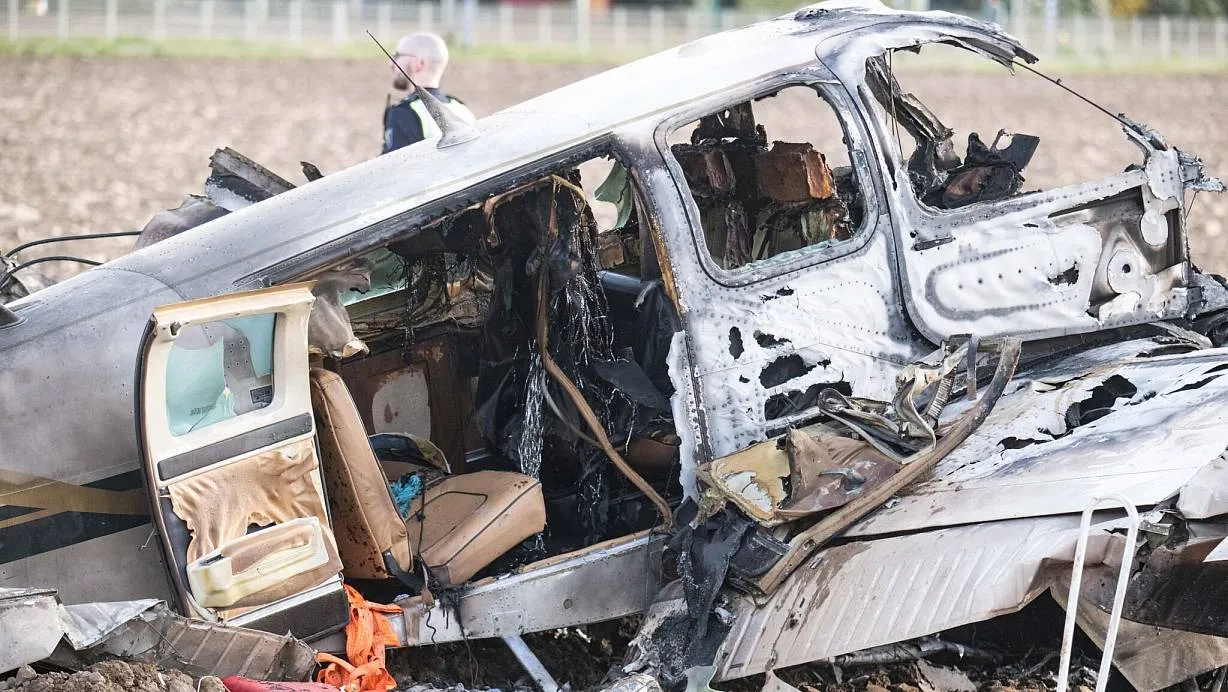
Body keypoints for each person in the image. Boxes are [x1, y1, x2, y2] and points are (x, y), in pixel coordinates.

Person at [381, 32, 476, 154]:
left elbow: (396, 169)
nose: (391, 64)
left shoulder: (404, 113)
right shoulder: (463, 110)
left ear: (418, 64)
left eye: (398, 56)